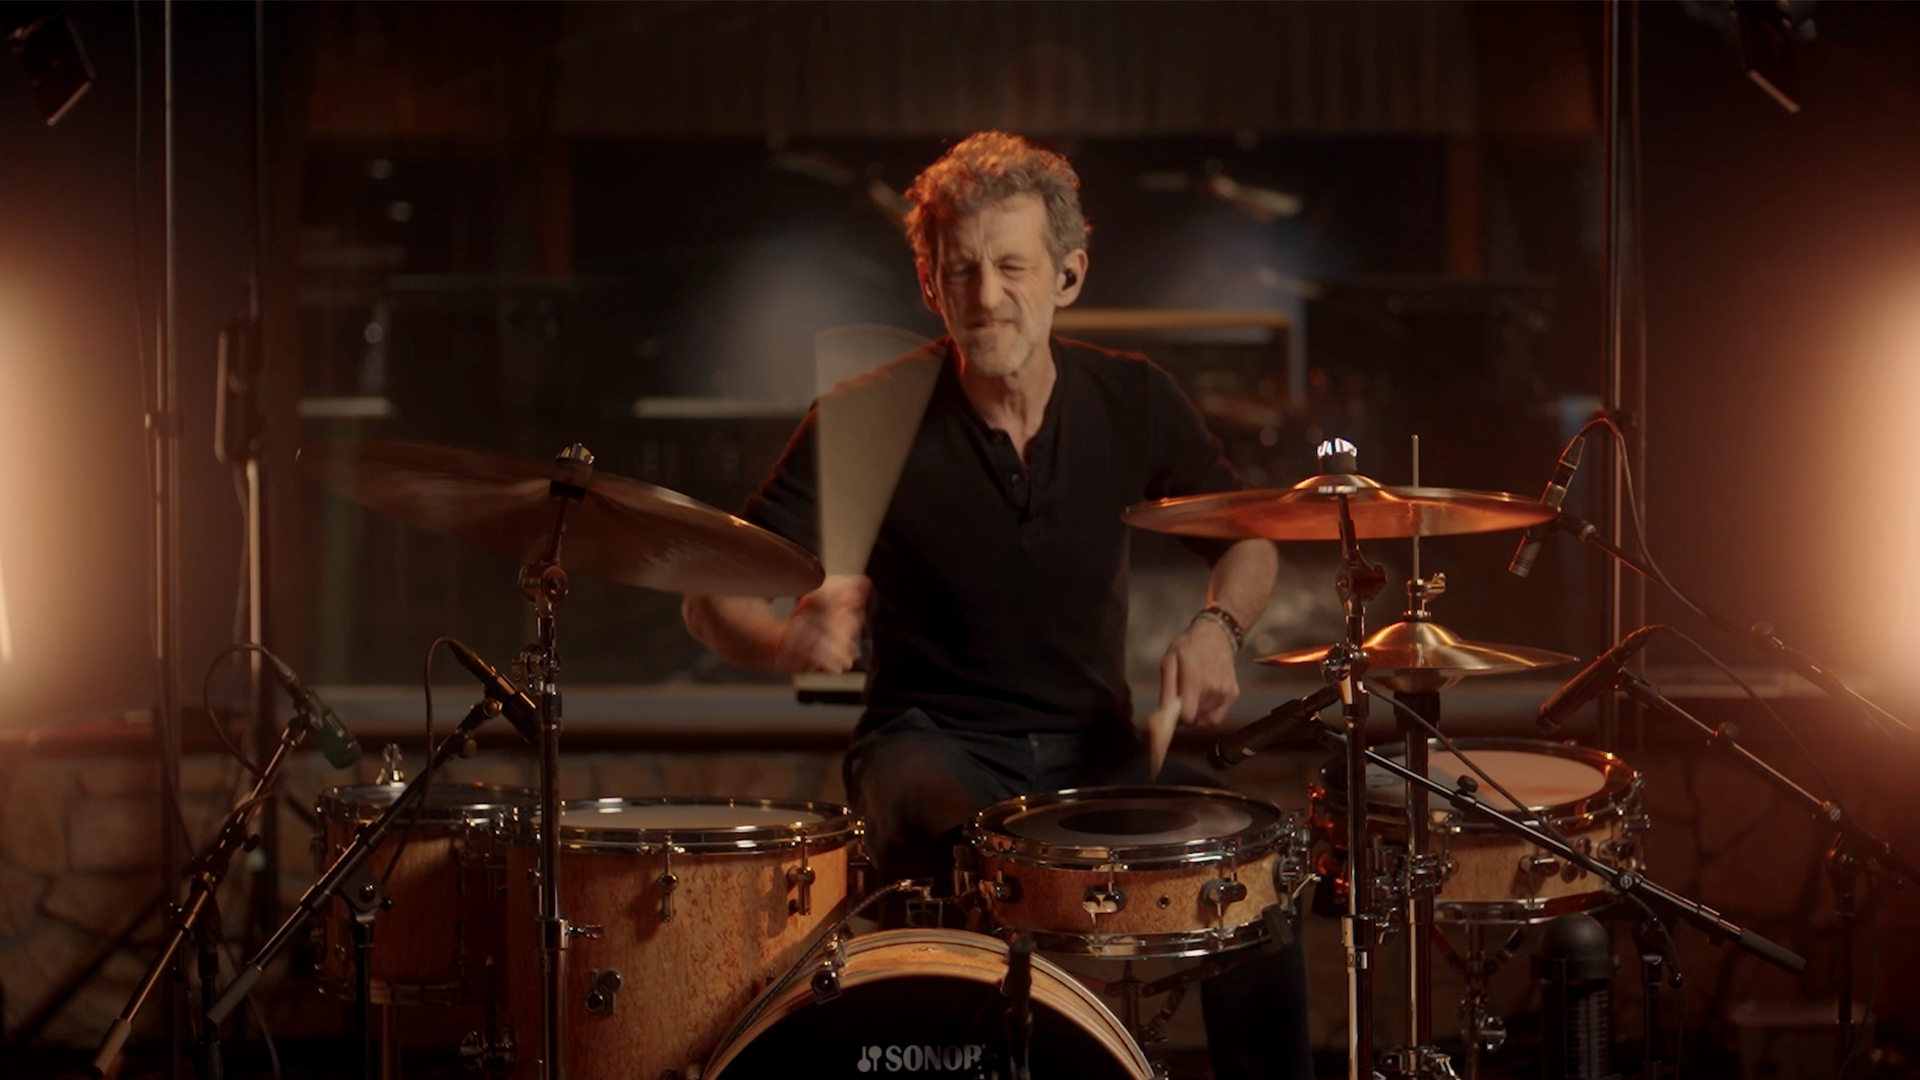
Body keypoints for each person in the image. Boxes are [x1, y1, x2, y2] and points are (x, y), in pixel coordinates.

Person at [682, 131, 1310, 1080]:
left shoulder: (1134, 397)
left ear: (1068, 275)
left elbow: (1250, 541)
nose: (984, 297)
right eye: (959, 270)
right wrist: (783, 637)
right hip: (932, 741)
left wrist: (1218, 627)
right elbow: (708, 598)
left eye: (1011, 266)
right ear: (929, 284)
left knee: (1248, 867)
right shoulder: (868, 416)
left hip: (1095, 751)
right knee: (929, 813)